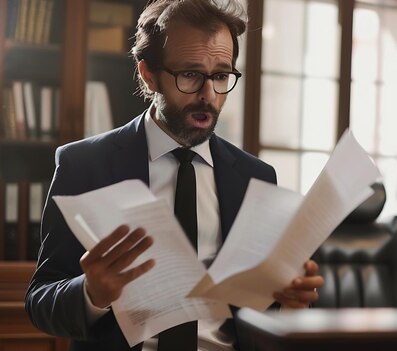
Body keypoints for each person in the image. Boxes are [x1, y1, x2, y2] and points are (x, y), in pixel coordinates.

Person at [24, 1, 324, 350]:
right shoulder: (85, 165)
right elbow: (40, 302)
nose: (208, 95)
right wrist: (92, 293)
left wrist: (286, 303)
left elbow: (255, 312)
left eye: (221, 75)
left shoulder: (254, 177)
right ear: (149, 74)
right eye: (190, 75)